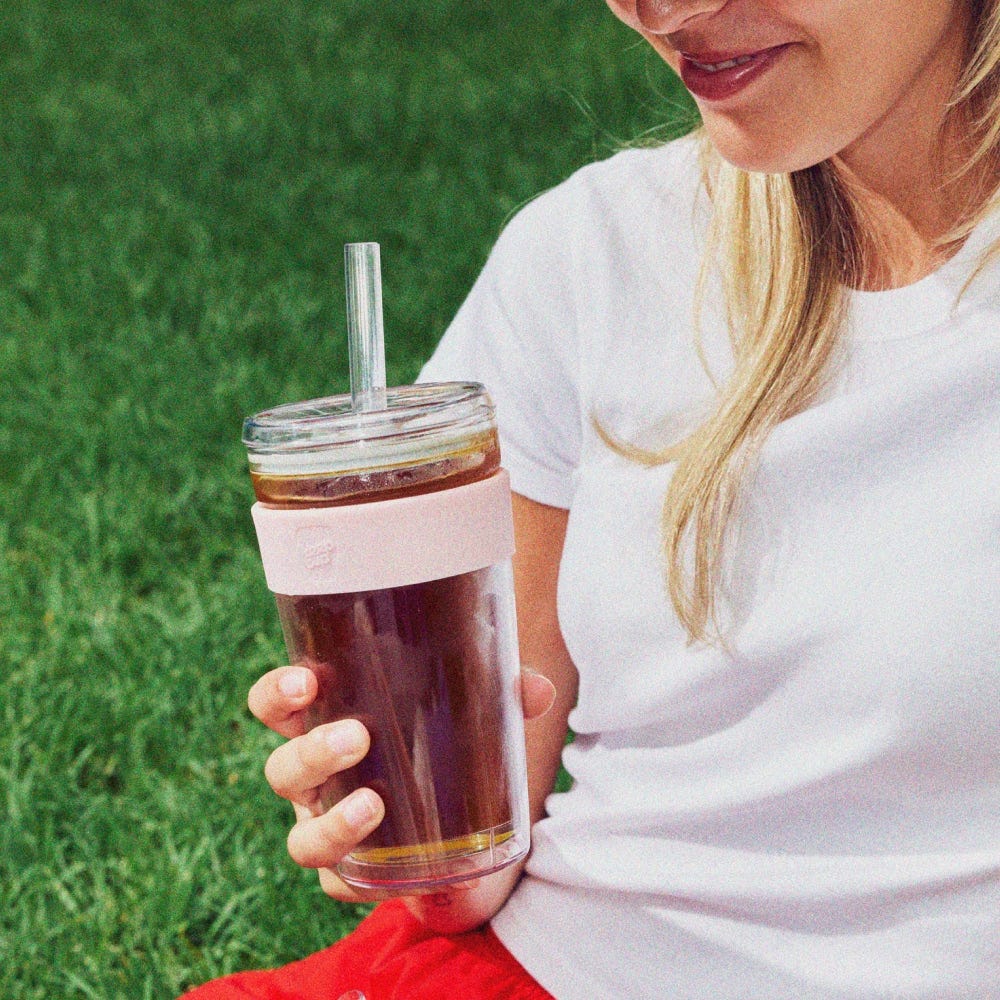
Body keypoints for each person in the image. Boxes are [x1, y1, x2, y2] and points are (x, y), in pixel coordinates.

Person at [184, 0, 1000, 997]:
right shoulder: (594, 247)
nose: (664, 7)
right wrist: (409, 817)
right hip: (547, 963)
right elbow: (474, 869)